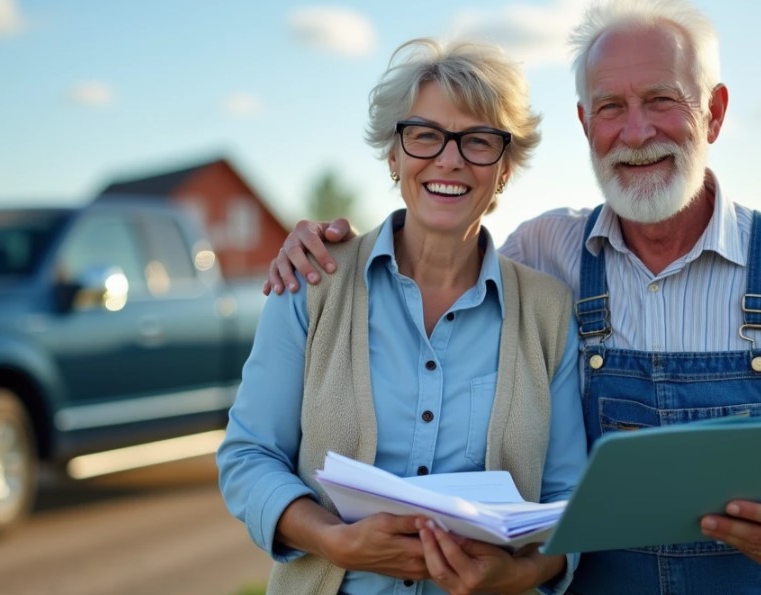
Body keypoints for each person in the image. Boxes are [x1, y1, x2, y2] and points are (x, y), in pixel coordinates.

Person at [261, 1, 761, 593]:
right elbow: (438, 238)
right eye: (611, 108)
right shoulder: (545, 256)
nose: (636, 132)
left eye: (661, 100)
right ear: (586, 125)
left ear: (715, 111)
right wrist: (329, 245)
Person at [217, 37, 589, 595]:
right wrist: (330, 539)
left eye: (479, 140)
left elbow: (569, 505)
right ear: (393, 154)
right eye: (424, 135)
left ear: (506, 168)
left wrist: (519, 573)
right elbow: (248, 456)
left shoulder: (548, 312)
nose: (449, 159)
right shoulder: (313, 283)